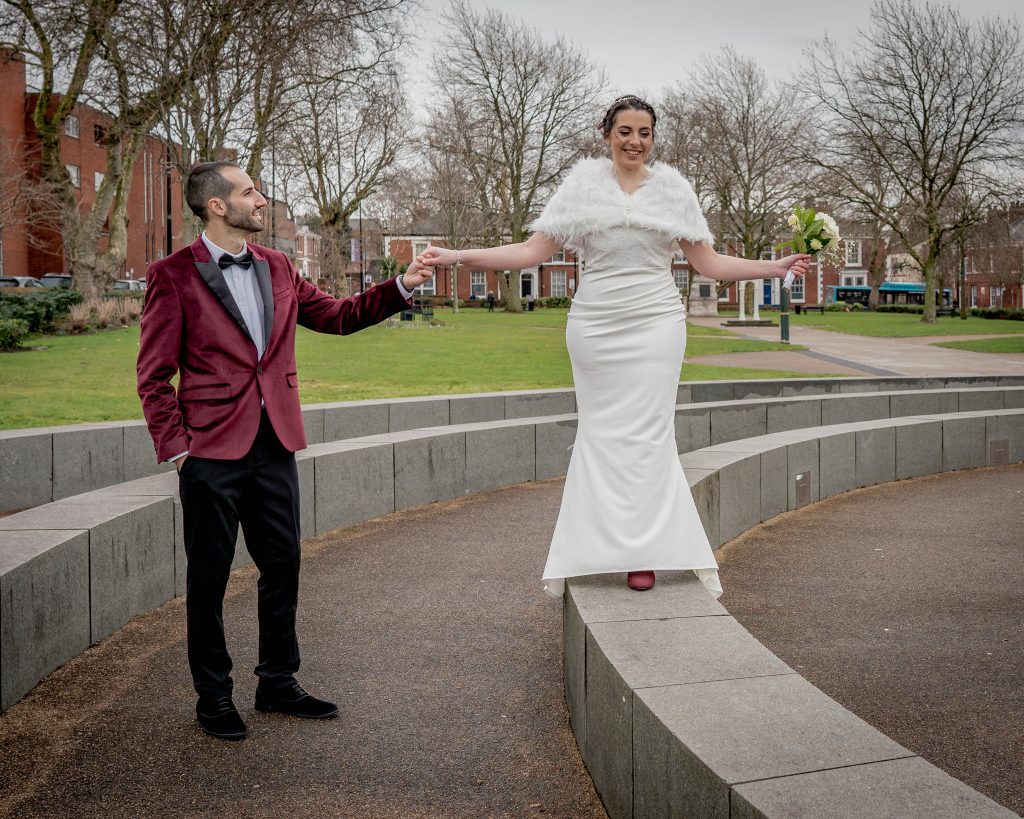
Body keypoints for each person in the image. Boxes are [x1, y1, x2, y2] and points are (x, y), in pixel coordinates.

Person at [419, 95, 808, 597]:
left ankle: (643, 553)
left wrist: (772, 269)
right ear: (607, 134)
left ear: (653, 138)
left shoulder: (673, 191)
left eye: (644, 132)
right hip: (596, 327)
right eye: (625, 131)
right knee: (601, 435)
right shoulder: (580, 188)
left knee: (649, 437)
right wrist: (457, 255)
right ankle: (594, 549)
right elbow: (531, 251)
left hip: (656, 325)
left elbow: (708, 263)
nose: (634, 141)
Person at [136, 160, 433, 740]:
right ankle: (214, 696)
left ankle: (277, 681)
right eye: (250, 192)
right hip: (210, 454)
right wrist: (179, 451)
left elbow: (339, 317)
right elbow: (153, 376)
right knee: (209, 579)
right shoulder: (172, 275)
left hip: (275, 445)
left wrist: (403, 286)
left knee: (283, 566)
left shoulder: (278, 266)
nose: (262, 199)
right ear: (217, 205)